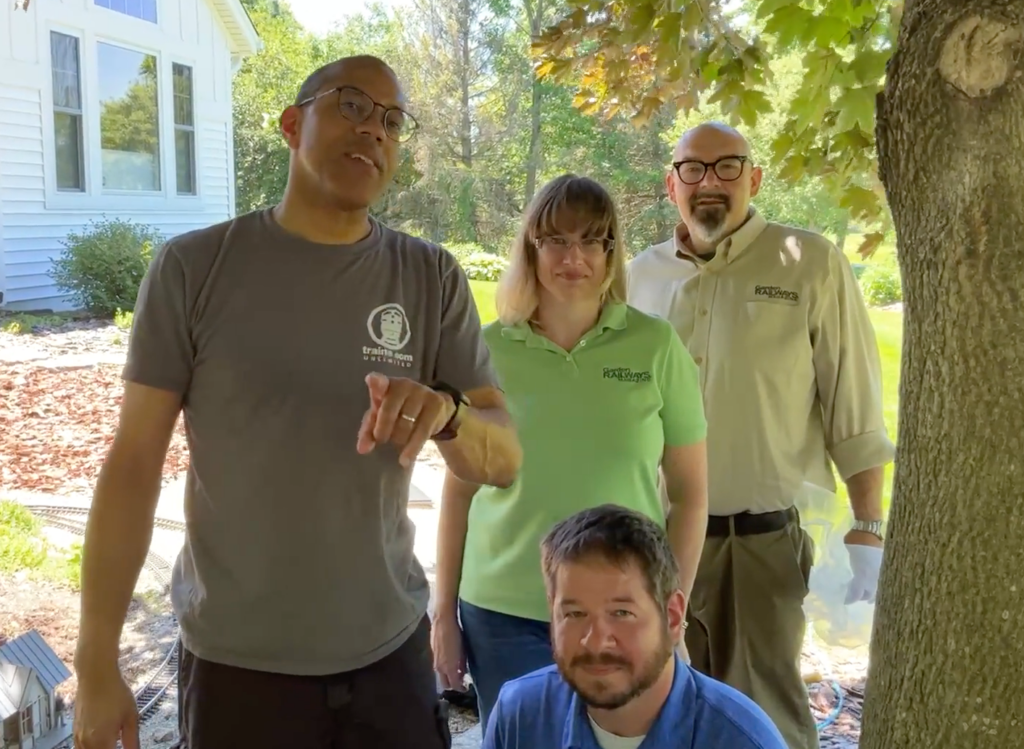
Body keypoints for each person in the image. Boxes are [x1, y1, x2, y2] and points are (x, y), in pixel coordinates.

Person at [71, 55, 522, 749]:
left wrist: (449, 414)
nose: (373, 129)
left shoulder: (429, 277)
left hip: (387, 658)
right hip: (238, 667)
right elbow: (133, 466)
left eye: (392, 120)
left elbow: (504, 456)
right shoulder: (195, 268)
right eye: (351, 105)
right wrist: (96, 661)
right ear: (290, 124)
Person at [626, 121, 895, 749]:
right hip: (653, 538)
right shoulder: (640, 277)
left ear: (754, 178)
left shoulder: (809, 263)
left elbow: (852, 401)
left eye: (727, 166)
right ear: (672, 185)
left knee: (762, 719)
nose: (709, 182)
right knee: (660, 711)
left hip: (761, 544)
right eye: (692, 168)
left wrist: (868, 524)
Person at [431, 174, 709, 734]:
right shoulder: (485, 350)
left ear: (612, 254)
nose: (572, 257)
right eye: (554, 240)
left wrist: (668, 606)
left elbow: (690, 493)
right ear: (530, 249)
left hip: (621, 609)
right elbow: (459, 492)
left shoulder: (655, 346)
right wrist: (443, 614)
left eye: (591, 240)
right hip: (503, 611)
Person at [483, 504, 788, 749]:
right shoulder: (521, 716)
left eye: (621, 613)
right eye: (575, 614)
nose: (596, 642)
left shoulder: (742, 739)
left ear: (671, 616)